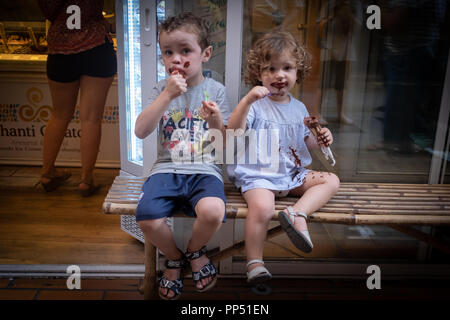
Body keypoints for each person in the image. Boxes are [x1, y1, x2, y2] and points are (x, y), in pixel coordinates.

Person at [227, 30, 340, 283]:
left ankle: (296, 213)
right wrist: (246, 101)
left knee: (331, 180)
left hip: (291, 174)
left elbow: (305, 143)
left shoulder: (299, 107)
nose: (280, 74)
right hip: (261, 175)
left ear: (297, 72)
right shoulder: (256, 105)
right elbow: (234, 131)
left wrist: (321, 138)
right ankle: (255, 263)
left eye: (287, 68)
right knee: (262, 208)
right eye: (271, 69)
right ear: (259, 74)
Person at [134, 13, 231, 300]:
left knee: (213, 212)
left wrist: (215, 119)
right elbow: (141, 130)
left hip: (205, 170)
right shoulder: (158, 90)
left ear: (206, 54)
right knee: (147, 218)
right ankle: (174, 258)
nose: (176, 59)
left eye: (185, 50)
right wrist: (166, 96)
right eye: (168, 52)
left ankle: (194, 250)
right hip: (166, 168)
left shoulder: (216, 91)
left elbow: (223, 144)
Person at [38, 0, 116, 196]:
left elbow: (48, 11)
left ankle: (47, 173)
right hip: (96, 47)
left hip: (61, 51)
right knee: (91, 118)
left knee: (59, 115)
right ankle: (86, 180)